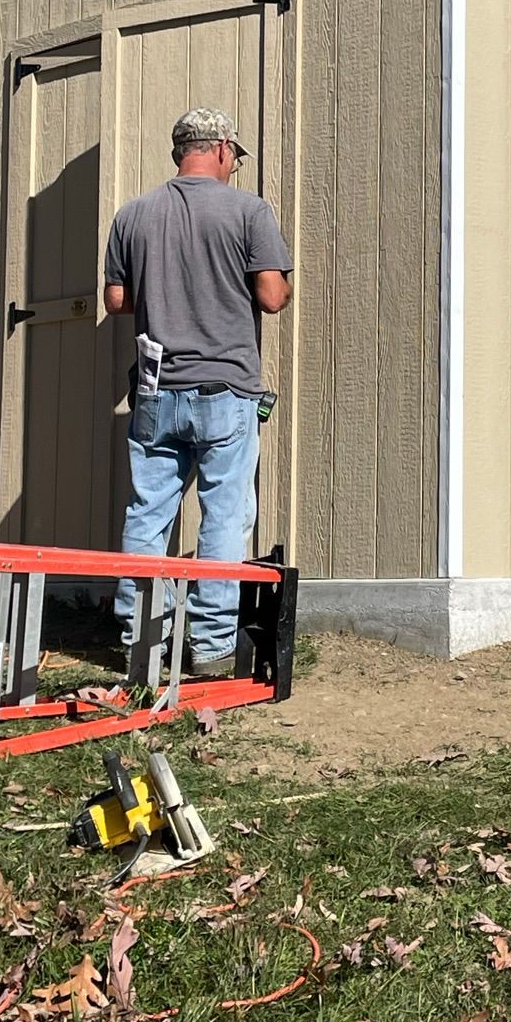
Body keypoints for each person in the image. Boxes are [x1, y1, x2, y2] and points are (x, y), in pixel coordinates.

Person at [102, 107, 292, 678]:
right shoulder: (249, 211)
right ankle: (209, 651)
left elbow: (116, 301)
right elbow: (273, 297)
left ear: (179, 151)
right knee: (223, 518)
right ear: (224, 149)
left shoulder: (133, 215)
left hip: (157, 392)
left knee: (147, 516)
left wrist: (167, 294)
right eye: (234, 156)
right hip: (224, 389)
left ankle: (142, 648)